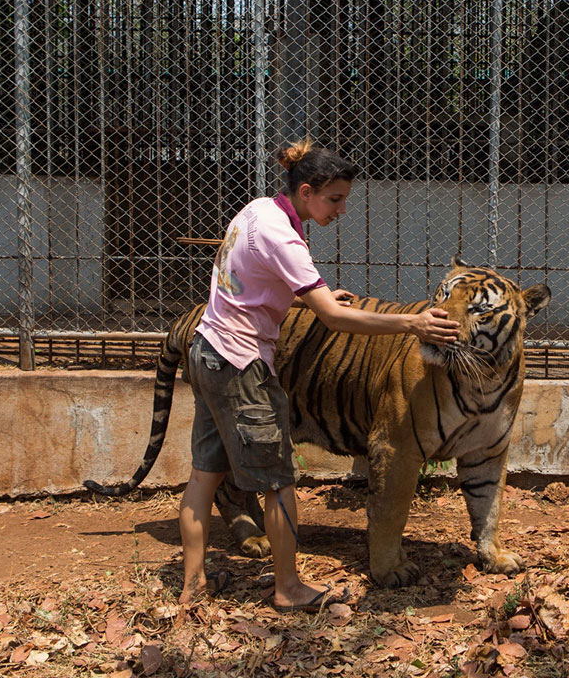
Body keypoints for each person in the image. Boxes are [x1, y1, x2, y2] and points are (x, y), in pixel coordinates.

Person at [178, 137, 460, 611]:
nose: (342, 209)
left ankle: (193, 584)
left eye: (345, 198)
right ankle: (288, 589)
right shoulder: (284, 237)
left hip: (207, 348)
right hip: (241, 363)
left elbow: (247, 283)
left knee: (204, 476)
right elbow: (332, 320)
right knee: (279, 482)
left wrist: (309, 296)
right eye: (335, 198)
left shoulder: (256, 211)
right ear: (306, 191)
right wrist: (412, 322)